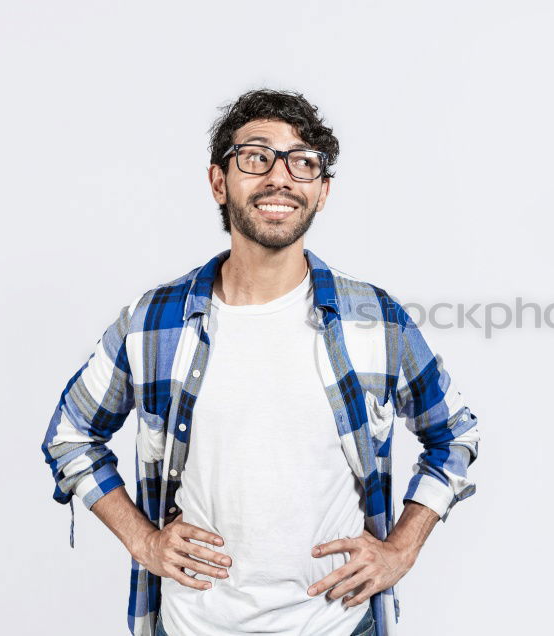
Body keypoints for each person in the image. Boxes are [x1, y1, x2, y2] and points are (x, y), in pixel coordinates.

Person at [40, 88, 481, 636]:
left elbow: (455, 433)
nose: (280, 177)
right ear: (219, 181)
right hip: (191, 626)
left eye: (303, 163)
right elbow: (71, 435)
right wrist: (142, 540)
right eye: (256, 156)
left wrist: (401, 549)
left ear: (322, 192)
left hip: (336, 627)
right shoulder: (153, 321)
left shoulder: (375, 319)